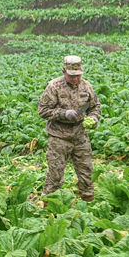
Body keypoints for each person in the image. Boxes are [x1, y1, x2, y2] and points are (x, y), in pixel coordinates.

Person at [38, 55, 101, 202]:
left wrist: (94, 118)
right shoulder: (54, 86)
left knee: (86, 172)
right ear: (64, 71)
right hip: (59, 137)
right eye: (72, 76)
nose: (75, 79)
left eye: (78, 75)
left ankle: (88, 202)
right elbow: (42, 110)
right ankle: (48, 206)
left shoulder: (86, 86)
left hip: (80, 136)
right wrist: (63, 113)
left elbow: (95, 107)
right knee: (55, 174)